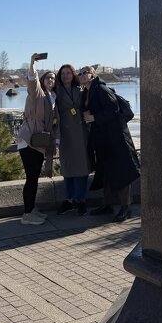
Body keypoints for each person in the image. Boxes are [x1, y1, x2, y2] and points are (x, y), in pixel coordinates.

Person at [80, 66, 140, 222]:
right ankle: (108, 204)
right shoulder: (87, 91)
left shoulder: (100, 88)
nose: (82, 75)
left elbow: (113, 109)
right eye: (80, 73)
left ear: (92, 75)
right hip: (103, 137)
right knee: (105, 171)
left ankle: (126, 208)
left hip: (115, 137)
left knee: (121, 171)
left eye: (85, 72)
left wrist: (94, 117)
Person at [15, 54, 59, 225]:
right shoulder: (38, 92)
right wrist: (32, 63)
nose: (51, 80)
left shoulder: (51, 97)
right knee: (31, 177)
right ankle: (26, 215)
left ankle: (32, 209)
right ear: (43, 79)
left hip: (39, 142)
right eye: (48, 77)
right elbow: (32, 81)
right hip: (29, 140)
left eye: (53, 78)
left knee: (33, 177)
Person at [54, 64, 91, 216]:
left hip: (81, 132)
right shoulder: (56, 91)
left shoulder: (81, 89)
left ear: (73, 74)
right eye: (63, 73)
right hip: (64, 133)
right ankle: (69, 200)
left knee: (82, 166)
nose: (65, 76)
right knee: (68, 167)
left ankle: (80, 200)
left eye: (68, 73)